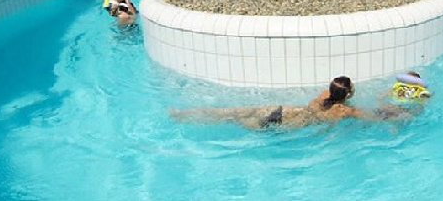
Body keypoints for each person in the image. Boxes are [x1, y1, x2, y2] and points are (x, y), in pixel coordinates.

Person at [169, 76, 415, 130]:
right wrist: (399, 114)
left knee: (229, 113)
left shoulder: (323, 96)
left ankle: (184, 114)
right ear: (349, 94)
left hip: (282, 110)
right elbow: (373, 115)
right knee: (239, 123)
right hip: (286, 126)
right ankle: (186, 117)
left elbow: (339, 92)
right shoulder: (344, 111)